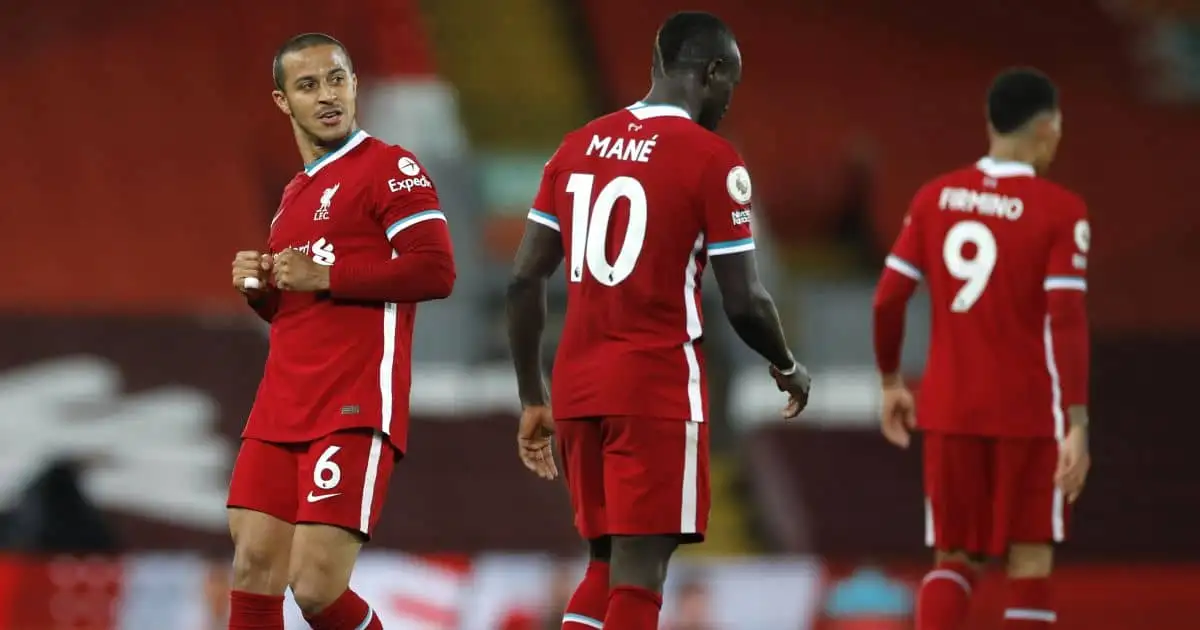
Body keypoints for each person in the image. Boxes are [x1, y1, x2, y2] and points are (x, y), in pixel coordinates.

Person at [505, 12, 811, 630]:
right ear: (714, 71)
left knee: (604, 566)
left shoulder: (576, 146)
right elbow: (746, 299)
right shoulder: (711, 159)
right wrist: (787, 364)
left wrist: (532, 395)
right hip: (653, 388)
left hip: (575, 390)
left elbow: (523, 280)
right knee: (640, 581)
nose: (728, 101)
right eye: (731, 84)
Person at [225, 33, 456, 630]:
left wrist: (324, 273)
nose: (327, 96)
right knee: (252, 563)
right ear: (283, 102)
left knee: (317, 586)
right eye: (308, 85)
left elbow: (436, 268)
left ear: (355, 85)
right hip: (281, 404)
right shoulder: (292, 196)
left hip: (350, 403)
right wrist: (262, 293)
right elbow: (297, 312)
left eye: (337, 79)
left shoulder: (390, 166)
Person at [872, 67, 1092, 630]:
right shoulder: (1060, 211)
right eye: (1060, 126)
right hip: (1028, 414)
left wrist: (892, 382)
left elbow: (888, 300)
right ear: (1046, 128)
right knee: (1030, 559)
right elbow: (1066, 319)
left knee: (953, 560)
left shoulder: (933, 197)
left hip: (949, 410)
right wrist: (1077, 422)